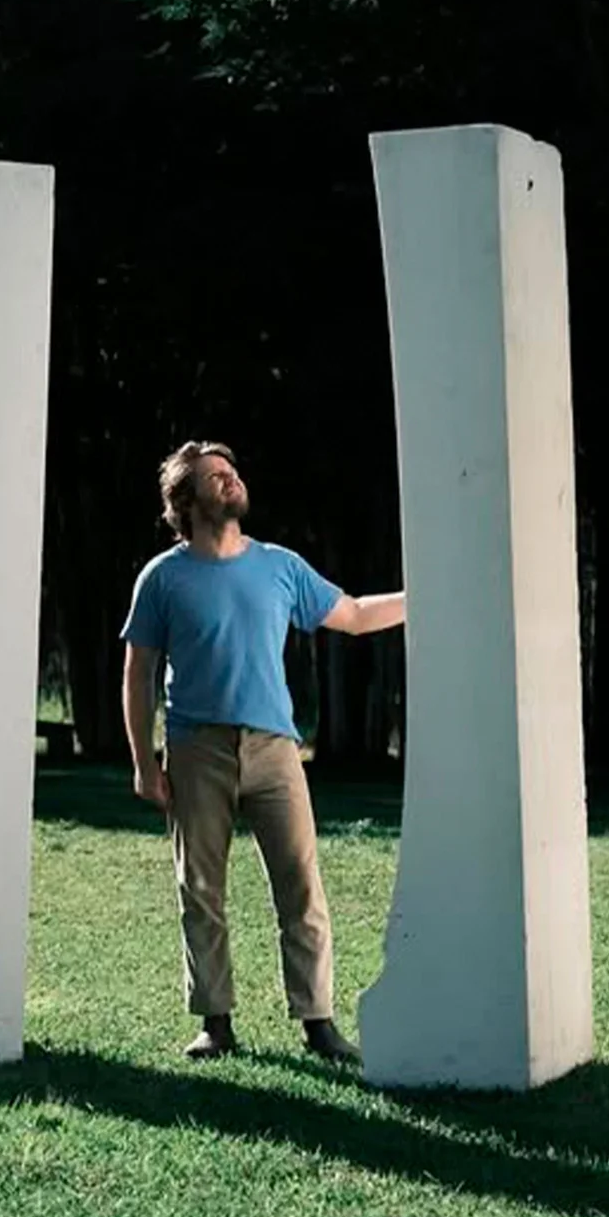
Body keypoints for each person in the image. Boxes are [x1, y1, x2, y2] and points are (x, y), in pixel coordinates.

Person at [118, 439, 406, 1062]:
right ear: (186, 501)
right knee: (200, 887)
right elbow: (138, 672)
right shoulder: (162, 578)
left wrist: (424, 600)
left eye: (232, 472)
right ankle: (215, 1023)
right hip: (197, 750)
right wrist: (145, 761)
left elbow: (353, 615)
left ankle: (317, 1022)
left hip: (275, 749)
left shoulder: (279, 566)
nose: (230, 481)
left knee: (301, 885)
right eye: (215, 477)